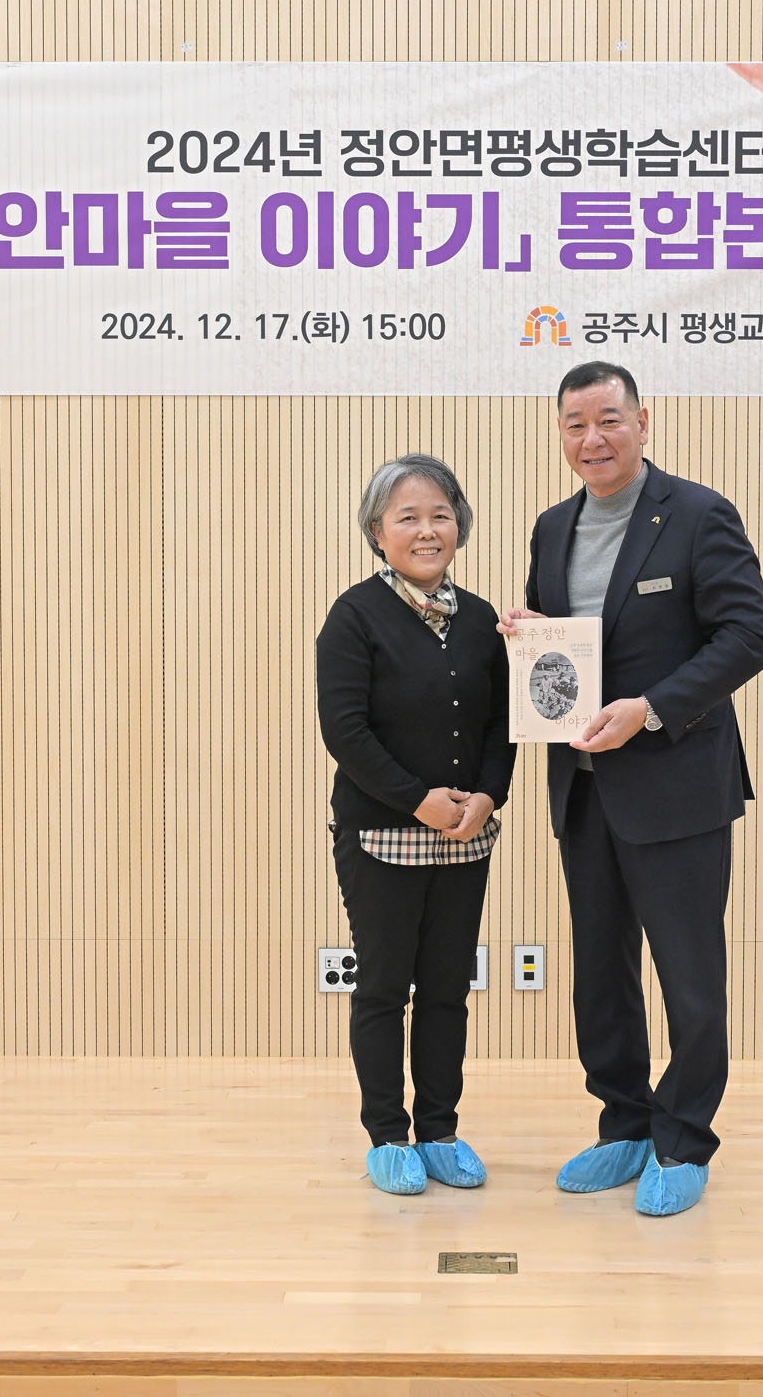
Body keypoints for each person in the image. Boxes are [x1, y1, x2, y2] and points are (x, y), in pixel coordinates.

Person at [498, 362, 763, 1217]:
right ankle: (622, 1123)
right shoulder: (552, 528)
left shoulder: (697, 514)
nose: (594, 439)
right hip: (583, 789)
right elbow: (572, 648)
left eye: (609, 420)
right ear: (560, 433)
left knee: (689, 976)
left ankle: (683, 1138)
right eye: (576, 424)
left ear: (643, 423)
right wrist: (535, 635)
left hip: (677, 788)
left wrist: (651, 710)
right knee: (601, 973)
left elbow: (747, 636)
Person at [317, 454, 514, 1195]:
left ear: (460, 526)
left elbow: (502, 725)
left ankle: (439, 1130)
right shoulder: (354, 615)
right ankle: (387, 1136)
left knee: (445, 989)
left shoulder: (483, 620)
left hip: (466, 837)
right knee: (383, 987)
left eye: (440, 515)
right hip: (382, 836)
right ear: (377, 532)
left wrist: (487, 797)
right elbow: (346, 732)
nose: (427, 530)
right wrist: (418, 801)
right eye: (408, 517)